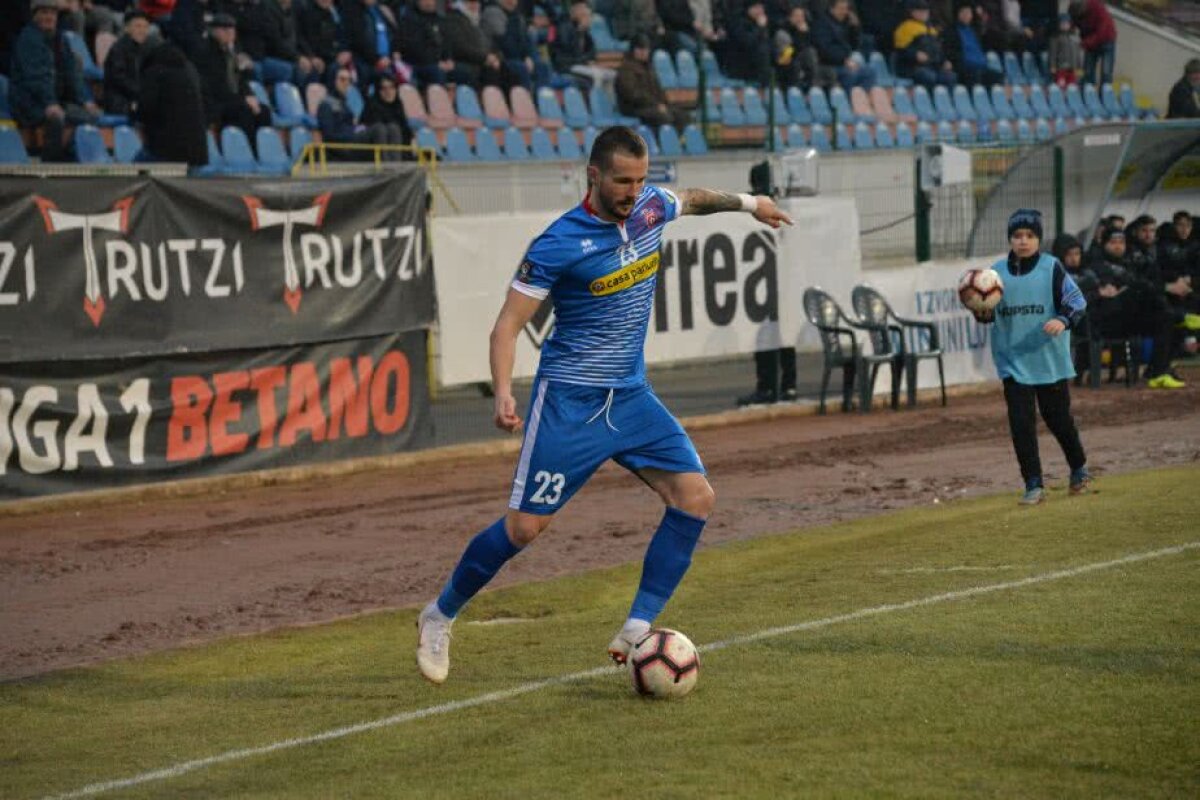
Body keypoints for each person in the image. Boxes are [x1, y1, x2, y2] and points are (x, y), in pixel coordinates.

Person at [414, 125, 794, 684]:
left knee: (694, 499)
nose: (633, 191)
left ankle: (638, 628)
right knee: (522, 531)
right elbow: (506, 327)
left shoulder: (649, 208)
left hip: (631, 397)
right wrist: (502, 393)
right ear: (593, 175)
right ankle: (439, 615)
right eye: (622, 180)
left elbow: (691, 199)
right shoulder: (557, 243)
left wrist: (751, 204)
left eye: (640, 180)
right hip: (569, 403)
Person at [971, 210, 1090, 505]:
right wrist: (981, 311)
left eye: (1029, 236)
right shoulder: (994, 273)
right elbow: (989, 314)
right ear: (1010, 239)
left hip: (1048, 360)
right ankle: (1033, 484)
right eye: (1017, 236)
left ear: (1038, 239)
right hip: (1013, 362)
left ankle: (1078, 468)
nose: (1023, 241)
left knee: (1058, 419)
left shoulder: (1052, 268)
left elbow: (1077, 302)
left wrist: (1062, 320)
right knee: (1021, 423)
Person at [1079, 225, 1194, 388]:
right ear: (1103, 244)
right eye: (1113, 242)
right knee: (1141, 288)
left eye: (1121, 242)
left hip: (1128, 320)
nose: (1118, 246)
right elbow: (1082, 294)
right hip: (1105, 321)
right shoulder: (1093, 265)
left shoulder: (1129, 265)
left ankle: (1158, 371)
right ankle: (1182, 316)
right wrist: (1099, 292)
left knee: (1166, 318)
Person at [9, 0, 100, 162]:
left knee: (90, 116)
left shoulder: (61, 39)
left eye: (52, 13)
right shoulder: (29, 39)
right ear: (35, 16)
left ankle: (76, 162)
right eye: (44, 13)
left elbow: (71, 74)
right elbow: (36, 78)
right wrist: (49, 103)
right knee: (56, 120)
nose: (49, 17)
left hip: (55, 101)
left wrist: (84, 101)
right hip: (28, 103)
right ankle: (50, 166)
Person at [196, 13, 273, 141]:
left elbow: (242, 80)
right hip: (215, 102)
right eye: (225, 30)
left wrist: (250, 96)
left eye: (232, 30)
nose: (230, 33)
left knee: (263, 111)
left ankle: (264, 153)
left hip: (233, 99)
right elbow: (217, 86)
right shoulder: (206, 53)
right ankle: (246, 150)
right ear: (214, 31)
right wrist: (243, 99)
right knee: (243, 110)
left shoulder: (232, 52)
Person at [136, 40, 208, 166]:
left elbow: (146, 107)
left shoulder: (155, 72)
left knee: (132, 172)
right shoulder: (190, 69)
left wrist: (133, 112)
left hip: (166, 150)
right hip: (197, 152)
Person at [317, 67, 405, 159]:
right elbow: (329, 135)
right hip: (341, 147)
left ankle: (395, 164)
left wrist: (356, 129)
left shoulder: (344, 104)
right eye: (342, 79)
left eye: (349, 80)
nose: (346, 83)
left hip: (352, 140)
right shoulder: (326, 104)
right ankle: (385, 167)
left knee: (393, 128)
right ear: (333, 80)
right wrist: (352, 131)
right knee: (378, 128)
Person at [615, 33, 690, 130]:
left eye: (646, 49)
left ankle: (675, 143)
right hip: (634, 108)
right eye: (640, 49)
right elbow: (632, 94)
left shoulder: (649, 67)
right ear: (633, 50)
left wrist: (665, 104)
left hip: (651, 106)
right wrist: (655, 105)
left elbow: (658, 89)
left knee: (681, 115)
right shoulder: (626, 69)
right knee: (663, 117)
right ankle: (659, 143)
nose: (644, 52)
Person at [812, 0, 876, 91]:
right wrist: (844, 60)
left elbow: (854, 46)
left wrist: (855, 28)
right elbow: (825, 49)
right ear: (832, 9)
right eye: (841, 9)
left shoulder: (845, 23)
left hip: (845, 62)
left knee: (869, 72)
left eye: (846, 9)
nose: (844, 12)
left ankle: (860, 99)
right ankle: (848, 100)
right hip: (828, 65)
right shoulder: (822, 24)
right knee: (850, 74)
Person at [893, 0, 955, 89]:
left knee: (950, 77)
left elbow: (938, 50)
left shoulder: (932, 29)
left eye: (926, 11)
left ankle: (945, 102)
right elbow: (900, 50)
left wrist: (944, 61)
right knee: (928, 76)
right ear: (913, 12)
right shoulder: (905, 28)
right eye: (921, 11)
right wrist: (915, 54)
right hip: (912, 67)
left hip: (932, 66)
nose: (924, 14)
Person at [941, 1, 1002, 89]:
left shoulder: (975, 30)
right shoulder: (951, 31)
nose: (967, 15)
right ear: (958, 14)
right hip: (964, 68)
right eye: (964, 12)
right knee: (974, 75)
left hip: (981, 67)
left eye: (969, 13)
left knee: (997, 76)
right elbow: (949, 51)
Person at [102, 9, 151, 116]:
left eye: (145, 27)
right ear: (127, 28)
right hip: (119, 102)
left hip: (135, 98)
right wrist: (142, 94)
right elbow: (118, 79)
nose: (142, 30)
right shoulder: (118, 49)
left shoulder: (144, 49)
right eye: (138, 26)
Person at [359, 73, 412, 156]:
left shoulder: (398, 104)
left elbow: (405, 129)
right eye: (384, 88)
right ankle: (387, 166)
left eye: (392, 87)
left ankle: (394, 166)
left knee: (395, 128)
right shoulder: (372, 105)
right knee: (385, 129)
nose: (388, 92)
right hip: (372, 153)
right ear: (378, 91)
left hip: (399, 153)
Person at [1068, 0, 1115, 86]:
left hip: (1107, 39)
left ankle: (1104, 95)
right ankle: (1088, 92)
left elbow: (1102, 33)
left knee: (1106, 72)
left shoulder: (1097, 7)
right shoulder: (1073, 10)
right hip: (1089, 39)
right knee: (1088, 72)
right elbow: (1071, 25)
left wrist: (1084, 43)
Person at [1047, 12, 1081, 87]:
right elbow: (1053, 53)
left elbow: (1078, 53)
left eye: (1066, 23)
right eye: (1062, 23)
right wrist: (1052, 66)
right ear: (1059, 24)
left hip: (1073, 69)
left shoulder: (1075, 37)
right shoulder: (1055, 38)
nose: (1065, 25)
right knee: (1061, 86)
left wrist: (1079, 67)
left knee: (1072, 88)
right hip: (1060, 69)